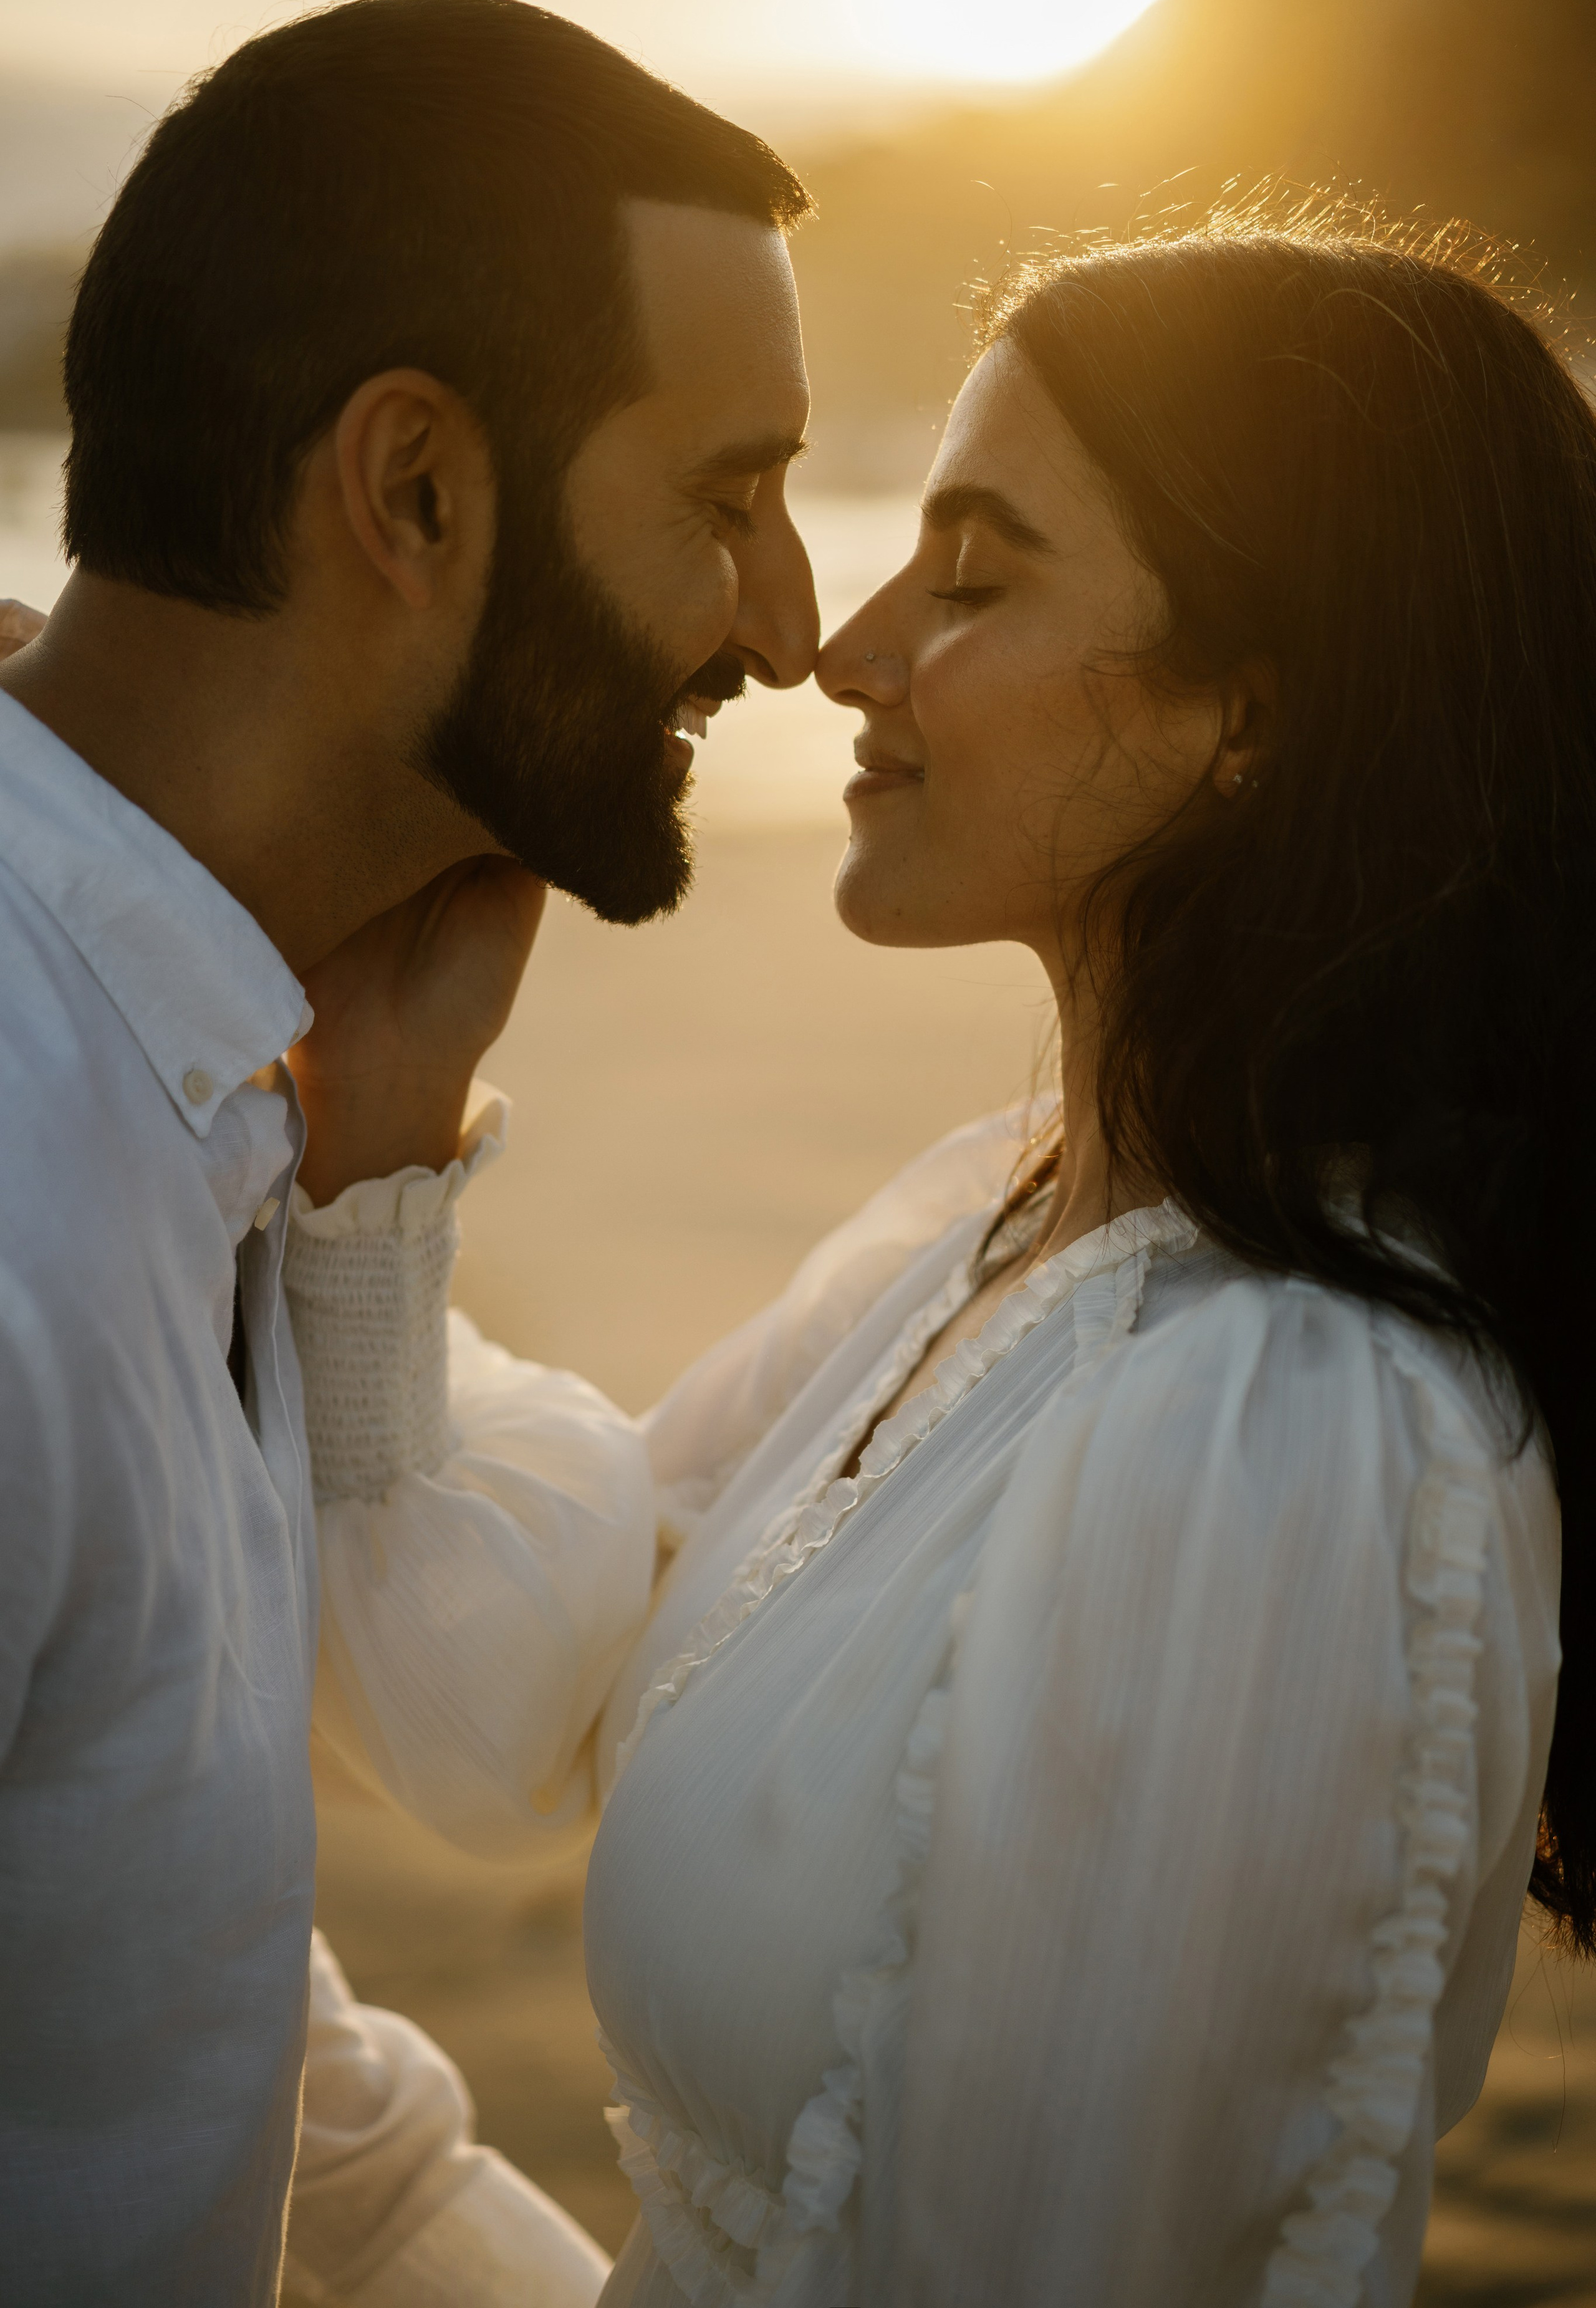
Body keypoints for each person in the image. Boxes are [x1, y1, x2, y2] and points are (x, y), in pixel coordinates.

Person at [278, 216, 1595, 2306]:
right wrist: (381, 1139)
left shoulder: (1295, 1434)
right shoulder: (999, 1216)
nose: (840, 645)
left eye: (975, 574)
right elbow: (496, 1697)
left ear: (1248, 714)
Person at [0, 0, 819, 2307]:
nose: (788, 622)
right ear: (417, 489)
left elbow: (166, 2011)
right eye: (725, 499)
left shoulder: (195, 1065)